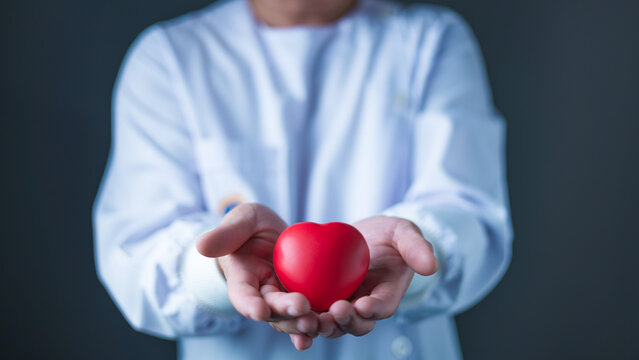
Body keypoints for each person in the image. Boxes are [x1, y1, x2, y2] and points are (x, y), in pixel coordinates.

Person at [93, 0, 513, 358]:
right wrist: (218, 269)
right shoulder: (169, 57)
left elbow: (469, 213)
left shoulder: (430, 41)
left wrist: (419, 246)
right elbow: (135, 249)